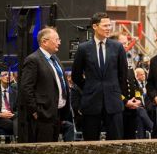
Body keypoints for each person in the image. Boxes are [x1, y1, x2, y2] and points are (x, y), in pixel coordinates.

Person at [71, 12, 128, 141]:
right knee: (90, 142)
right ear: (95, 26)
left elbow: (123, 75)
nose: (108, 28)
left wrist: (116, 91)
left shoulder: (117, 47)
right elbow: (76, 75)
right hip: (91, 102)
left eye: (109, 25)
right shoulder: (83, 48)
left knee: (116, 141)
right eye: (105, 26)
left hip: (113, 102)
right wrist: (90, 87)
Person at [19, 27, 71, 142]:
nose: (59, 42)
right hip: (43, 114)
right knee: (43, 150)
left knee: (53, 149)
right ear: (44, 41)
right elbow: (26, 88)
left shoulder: (55, 59)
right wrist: (35, 111)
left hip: (57, 113)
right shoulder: (33, 60)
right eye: (56, 39)